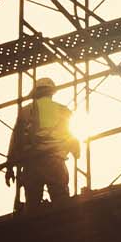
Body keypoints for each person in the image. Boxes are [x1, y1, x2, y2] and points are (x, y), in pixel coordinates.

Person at [7, 77, 79, 207]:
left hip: (32, 162)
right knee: (61, 203)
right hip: (55, 161)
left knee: (33, 206)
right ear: (52, 92)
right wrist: (75, 151)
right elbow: (71, 136)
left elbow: (16, 139)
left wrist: (9, 166)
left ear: (36, 92)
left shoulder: (25, 110)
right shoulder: (63, 110)